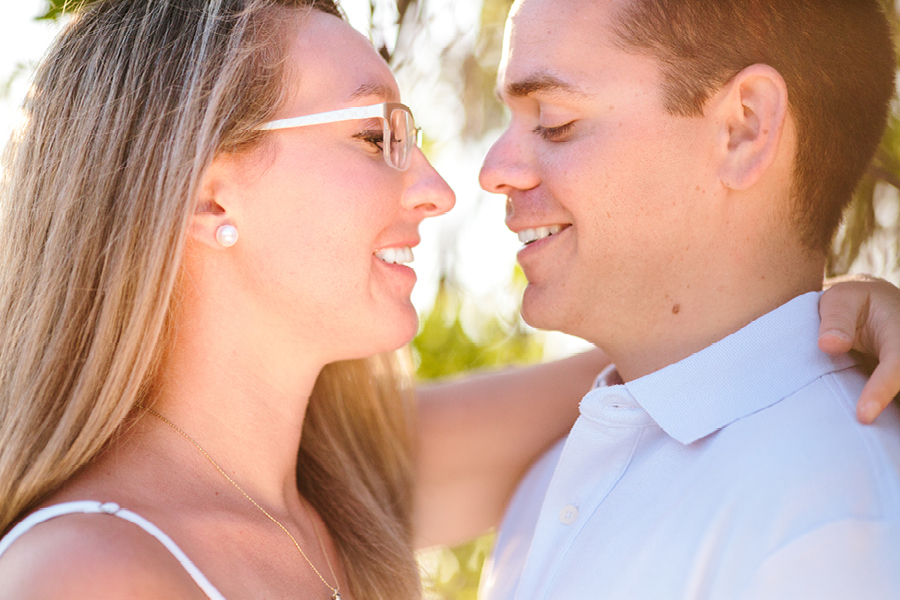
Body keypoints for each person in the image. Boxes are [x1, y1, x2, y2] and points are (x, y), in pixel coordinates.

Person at [0, 2, 897, 600]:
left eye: (556, 124)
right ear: (206, 196)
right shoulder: (85, 574)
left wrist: (820, 319)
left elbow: (688, 372)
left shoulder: (336, 496)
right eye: (372, 135)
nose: (446, 186)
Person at [477, 0, 900, 598]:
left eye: (552, 121)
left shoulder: (838, 519)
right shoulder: (546, 487)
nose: (494, 170)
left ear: (744, 129)